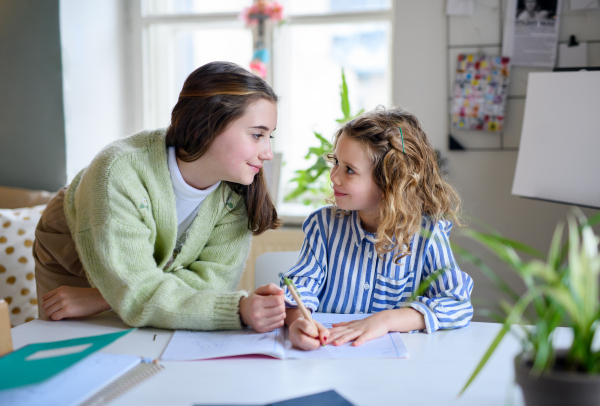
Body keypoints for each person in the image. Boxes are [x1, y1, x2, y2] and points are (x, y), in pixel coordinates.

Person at [33, 61, 287, 333]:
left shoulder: (237, 191)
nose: (268, 153)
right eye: (257, 135)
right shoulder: (119, 172)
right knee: (73, 350)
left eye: (270, 136)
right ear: (205, 126)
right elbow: (139, 295)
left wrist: (106, 297)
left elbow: (211, 285)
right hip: (76, 256)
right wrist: (237, 309)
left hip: (145, 276)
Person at [282, 107, 474, 350]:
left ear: (390, 183)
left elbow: (457, 304)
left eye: (349, 170)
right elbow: (299, 290)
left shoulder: (428, 234)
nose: (334, 177)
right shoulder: (324, 226)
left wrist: (387, 319)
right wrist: (300, 321)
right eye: (336, 163)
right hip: (330, 353)